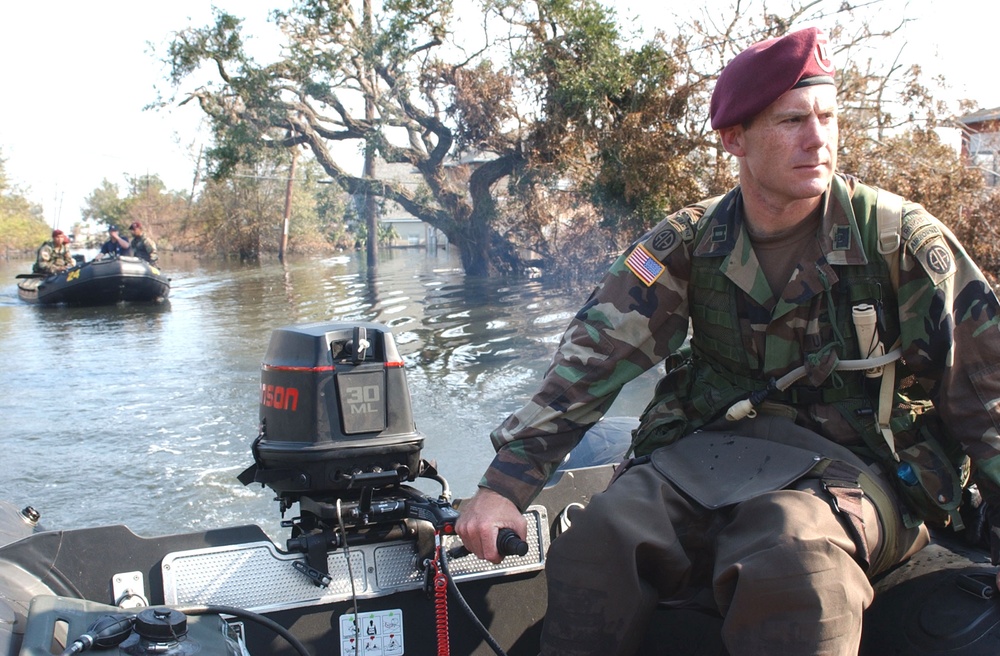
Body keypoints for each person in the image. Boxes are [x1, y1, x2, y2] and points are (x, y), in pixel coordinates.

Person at [455, 27, 1000, 656]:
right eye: (792, 120)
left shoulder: (897, 241)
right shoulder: (686, 244)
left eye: (827, 117)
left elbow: (984, 389)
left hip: (862, 469)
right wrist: (505, 486)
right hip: (713, 456)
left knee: (791, 551)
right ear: (734, 138)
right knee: (600, 538)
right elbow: (590, 360)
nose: (817, 139)